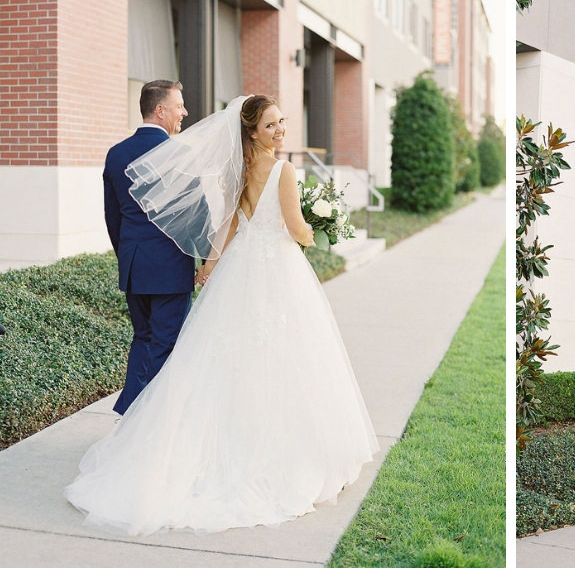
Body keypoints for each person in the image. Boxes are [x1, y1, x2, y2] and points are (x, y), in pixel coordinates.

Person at [66, 95, 379, 535]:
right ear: (252, 131)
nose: (280, 130)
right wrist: (320, 227)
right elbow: (294, 230)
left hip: (241, 266)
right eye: (271, 125)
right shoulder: (283, 171)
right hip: (276, 269)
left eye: (281, 122)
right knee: (282, 358)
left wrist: (211, 265)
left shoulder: (241, 170)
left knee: (223, 358)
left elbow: (230, 222)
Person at [103, 80, 194, 415]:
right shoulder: (179, 154)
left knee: (143, 339)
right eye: (179, 105)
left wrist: (128, 255)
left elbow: (113, 217)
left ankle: (130, 415)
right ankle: (142, 421)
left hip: (134, 266)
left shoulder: (117, 153)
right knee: (165, 345)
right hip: (171, 268)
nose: (183, 112)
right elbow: (195, 215)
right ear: (160, 110)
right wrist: (204, 260)